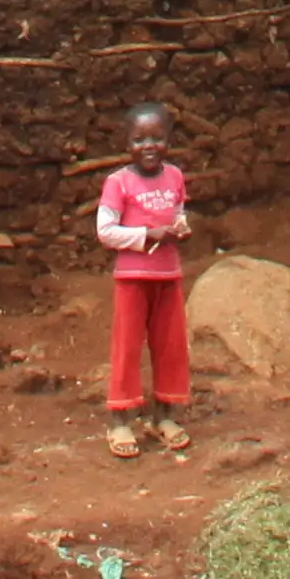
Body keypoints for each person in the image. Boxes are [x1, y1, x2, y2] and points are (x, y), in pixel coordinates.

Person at [94, 101, 193, 453]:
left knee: (170, 346)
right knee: (127, 347)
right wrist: (144, 237)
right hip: (133, 277)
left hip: (168, 275)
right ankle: (121, 420)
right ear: (127, 144)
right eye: (139, 139)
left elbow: (178, 213)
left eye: (156, 138)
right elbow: (105, 231)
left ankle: (165, 414)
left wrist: (179, 229)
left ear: (168, 140)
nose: (148, 146)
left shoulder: (175, 177)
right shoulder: (118, 182)